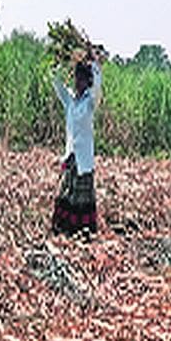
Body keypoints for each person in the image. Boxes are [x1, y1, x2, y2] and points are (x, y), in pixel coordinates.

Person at [52, 55, 102, 237]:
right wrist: (59, 63)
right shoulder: (70, 101)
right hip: (71, 155)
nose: (77, 82)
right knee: (65, 193)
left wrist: (95, 66)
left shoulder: (90, 102)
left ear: (87, 81)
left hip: (84, 158)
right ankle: (64, 230)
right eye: (76, 78)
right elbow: (57, 84)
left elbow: (97, 89)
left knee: (82, 198)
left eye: (81, 78)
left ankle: (82, 233)